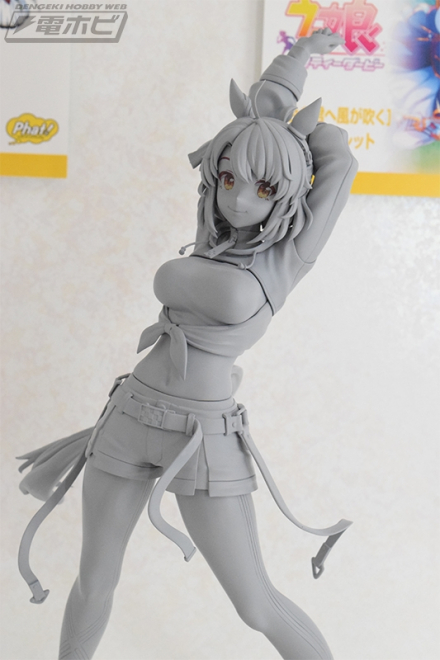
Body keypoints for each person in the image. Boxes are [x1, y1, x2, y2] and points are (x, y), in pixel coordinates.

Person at [18, 29, 358, 660]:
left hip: (203, 439)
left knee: (255, 604)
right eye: (228, 178)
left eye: (263, 189)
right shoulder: (211, 235)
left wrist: (287, 126)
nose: (239, 198)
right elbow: (253, 118)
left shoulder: (286, 255)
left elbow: (337, 160)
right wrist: (296, 59)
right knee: (94, 581)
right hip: (129, 416)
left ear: (286, 194)